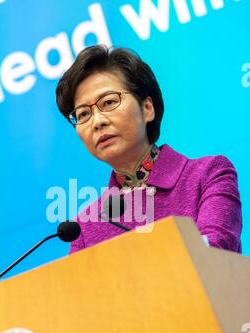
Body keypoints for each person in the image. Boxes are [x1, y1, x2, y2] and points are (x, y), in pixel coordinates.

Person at [55, 44, 242, 254]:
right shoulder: (84, 227)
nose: (97, 121)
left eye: (108, 102)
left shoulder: (208, 174)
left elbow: (215, 251)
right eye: (83, 114)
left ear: (147, 108)